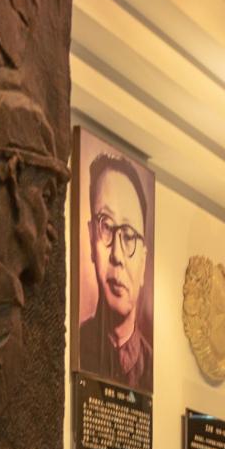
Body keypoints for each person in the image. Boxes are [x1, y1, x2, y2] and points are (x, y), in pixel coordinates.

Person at [74, 151, 153, 391]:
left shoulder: (151, 367)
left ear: (143, 262)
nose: (117, 255)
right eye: (106, 227)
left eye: (128, 236)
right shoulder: (74, 346)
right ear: (91, 238)